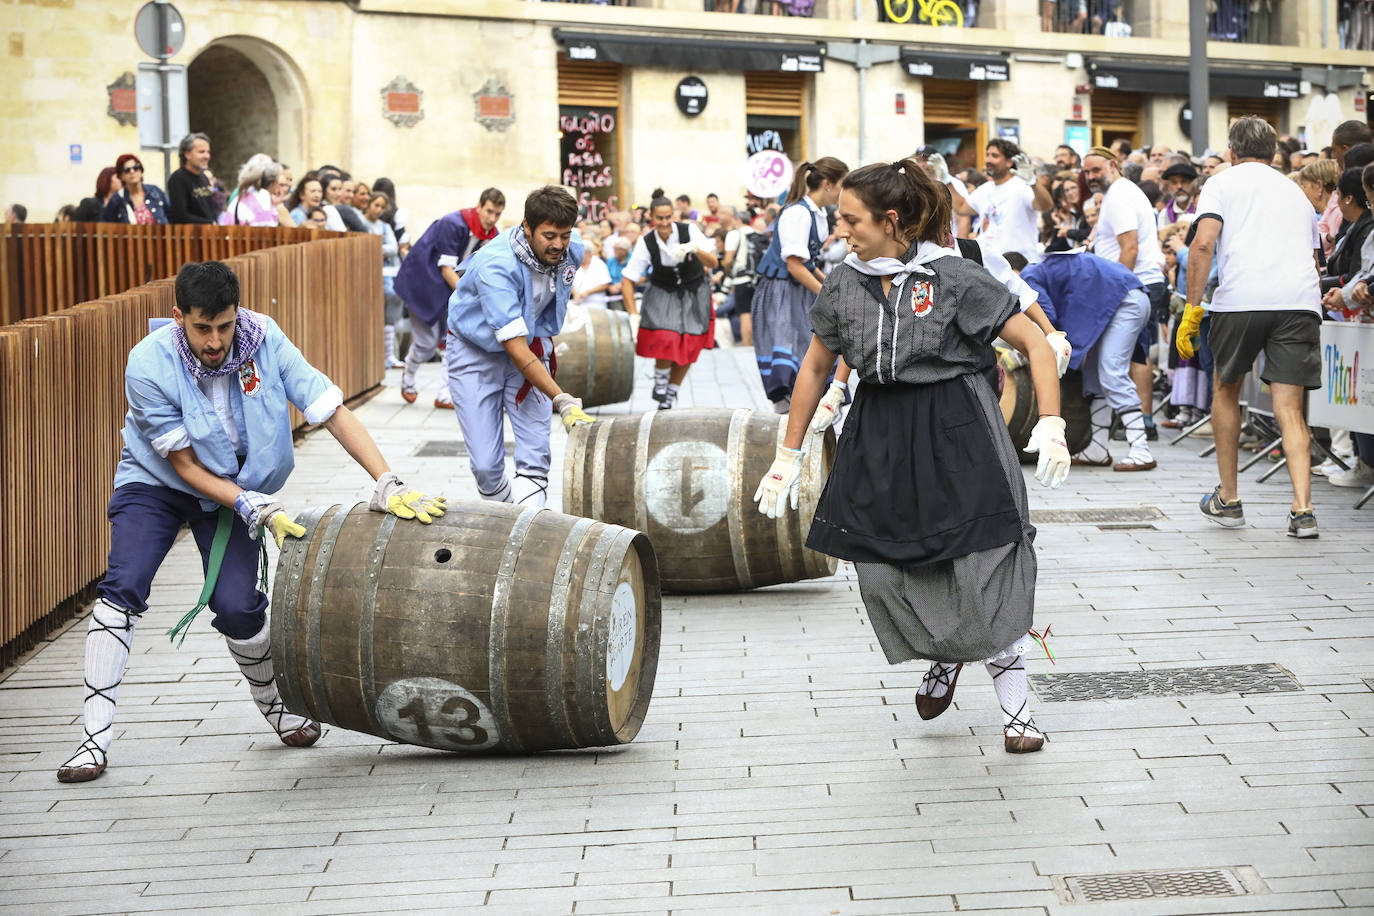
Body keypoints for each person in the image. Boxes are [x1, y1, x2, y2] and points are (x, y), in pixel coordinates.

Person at [55, 260, 444, 783]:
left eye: (225, 325)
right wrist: (250, 504)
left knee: (238, 605)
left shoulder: (264, 338)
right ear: (178, 318)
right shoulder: (147, 364)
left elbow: (328, 407)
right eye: (201, 328)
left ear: (238, 313)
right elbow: (186, 466)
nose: (216, 340)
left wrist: (387, 481)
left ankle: (277, 707)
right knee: (124, 584)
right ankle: (92, 741)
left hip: (238, 488)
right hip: (158, 486)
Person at [754, 159, 1068, 755]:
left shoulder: (955, 276)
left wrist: (1051, 422)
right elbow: (817, 365)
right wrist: (786, 455)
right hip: (879, 433)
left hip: (959, 430)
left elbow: (1035, 341)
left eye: (851, 220)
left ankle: (1018, 712)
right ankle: (947, 654)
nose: (840, 230)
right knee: (887, 566)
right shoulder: (846, 281)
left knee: (985, 561)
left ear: (890, 219)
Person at [1182, 116, 1324, 538]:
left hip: (1242, 299)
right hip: (1299, 301)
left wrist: (1192, 309)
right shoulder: (1297, 192)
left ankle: (1229, 499)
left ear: (1231, 152)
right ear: (1275, 154)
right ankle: (1303, 510)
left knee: (1226, 390)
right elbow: (1314, 260)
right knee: (1290, 408)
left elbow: (1204, 242)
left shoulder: (1221, 182)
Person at [447, 186, 594, 506]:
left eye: (565, 235)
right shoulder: (495, 266)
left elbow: (581, 251)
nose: (558, 244)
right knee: (486, 466)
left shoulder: (572, 247)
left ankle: (528, 532)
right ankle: (507, 517)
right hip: (476, 351)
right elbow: (514, 349)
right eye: (549, 235)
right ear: (526, 227)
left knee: (536, 454)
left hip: (531, 345)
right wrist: (562, 398)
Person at [1082, 146, 1165, 468]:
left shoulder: (1118, 195)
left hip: (1125, 293)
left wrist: (1112, 292)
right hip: (1127, 290)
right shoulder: (1122, 193)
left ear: (1113, 165)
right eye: (1086, 172)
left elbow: (1128, 248)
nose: (1091, 177)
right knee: (1095, 369)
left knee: (1112, 370)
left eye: (1095, 170)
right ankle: (1097, 447)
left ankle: (1141, 449)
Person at [750, 158, 849, 413]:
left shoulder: (817, 214)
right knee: (788, 362)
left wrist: (827, 286)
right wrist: (824, 293)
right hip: (780, 292)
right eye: (842, 185)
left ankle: (805, 423)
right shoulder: (797, 212)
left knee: (810, 356)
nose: (843, 192)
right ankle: (786, 424)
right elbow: (794, 265)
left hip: (798, 291)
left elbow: (808, 262)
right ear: (827, 184)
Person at [393, 188, 506, 408]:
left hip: (450, 292)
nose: (492, 219)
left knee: (453, 341)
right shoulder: (453, 223)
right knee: (425, 345)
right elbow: (446, 268)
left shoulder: (492, 234)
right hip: (423, 286)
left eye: (497, 214)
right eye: (489, 211)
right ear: (479, 206)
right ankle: (409, 375)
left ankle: (445, 393)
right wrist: (472, 297)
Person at [618, 195, 721, 410]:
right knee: (665, 337)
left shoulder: (689, 231)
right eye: (659, 218)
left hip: (694, 290)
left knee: (690, 344)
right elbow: (628, 279)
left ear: (673, 215)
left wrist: (695, 249)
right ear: (651, 217)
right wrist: (633, 314)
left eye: (667, 217)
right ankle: (661, 380)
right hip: (663, 291)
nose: (664, 223)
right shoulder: (646, 241)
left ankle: (670, 393)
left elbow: (713, 262)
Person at [955, 139, 1052, 263]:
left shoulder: (1022, 185)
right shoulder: (985, 189)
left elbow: (1046, 206)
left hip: (1019, 266)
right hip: (991, 265)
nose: (988, 160)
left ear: (1009, 162)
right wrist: (946, 180)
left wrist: (1033, 182)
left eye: (994, 156)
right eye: (987, 155)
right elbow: (961, 208)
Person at [360, 190, 405, 369]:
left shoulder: (385, 226)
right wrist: (379, 245)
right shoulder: (361, 222)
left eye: (382, 207)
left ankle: (388, 355)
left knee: (392, 303)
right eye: (376, 205)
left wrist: (373, 245)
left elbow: (393, 248)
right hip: (366, 272)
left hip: (385, 273)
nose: (378, 210)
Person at [101, 154, 169, 225]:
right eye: (127, 170)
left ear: (141, 170)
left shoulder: (155, 192)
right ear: (121, 176)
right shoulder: (116, 199)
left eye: (136, 167)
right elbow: (106, 226)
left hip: (160, 235)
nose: (132, 171)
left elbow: (171, 216)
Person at [166, 133, 218, 225]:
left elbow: (211, 210)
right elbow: (180, 216)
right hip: (189, 236)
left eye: (208, 152)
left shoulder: (204, 178)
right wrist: (209, 223)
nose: (207, 156)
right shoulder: (178, 179)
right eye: (201, 152)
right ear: (187, 154)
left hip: (209, 235)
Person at [218, 155, 284, 227]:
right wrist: (277, 207)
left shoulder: (245, 193)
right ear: (274, 182)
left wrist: (273, 205)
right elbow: (267, 231)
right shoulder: (262, 196)